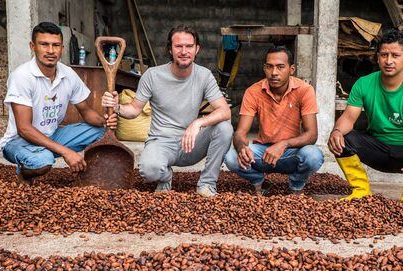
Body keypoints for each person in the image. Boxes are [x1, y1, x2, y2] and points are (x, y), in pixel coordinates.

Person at [102, 25, 232, 197]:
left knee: (224, 127)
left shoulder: (204, 75)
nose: (184, 51)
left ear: (197, 49)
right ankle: (165, 177)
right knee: (149, 171)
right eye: (178, 46)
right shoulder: (152, 76)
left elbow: (225, 111)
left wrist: (198, 123)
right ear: (170, 49)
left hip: (191, 143)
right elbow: (133, 110)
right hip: (161, 142)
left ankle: (207, 184)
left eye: (189, 46)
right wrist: (116, 106)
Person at [0, 22, 117, 184]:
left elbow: (86, 111)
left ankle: (90, 175)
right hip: (18, 141)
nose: (50, 51)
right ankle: (25, 171)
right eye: (44, 44)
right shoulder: (22, 76)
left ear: (62, 48)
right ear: (32, 46)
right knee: (43, 161)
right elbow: (24, 129)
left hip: (52, 136)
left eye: (55, 45)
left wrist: (106, 121)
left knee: (101, 133)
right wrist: (66, 152)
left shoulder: (68, 74)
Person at [224, 46, 324, 194]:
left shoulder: (304, 90)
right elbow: (240, 133)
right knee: (231, 157)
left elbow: (312, 135)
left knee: (314, 156)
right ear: (264, 68)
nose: (274, 73)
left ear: (292, 69)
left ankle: (296, 186)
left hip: (292, 152)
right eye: (269, 67)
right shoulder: (253, 92)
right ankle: (259, 181)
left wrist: (283, 144)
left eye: (280, 67)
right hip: (263, 153)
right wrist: (242, 148)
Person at [328, 29, 403, 200]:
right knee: (342, 138)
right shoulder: (364, 84)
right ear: (377, 58)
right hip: (378, 150)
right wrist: (337, 132)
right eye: (384, 55)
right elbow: (348, 118)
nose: (389, 61)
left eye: (395, 55)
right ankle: (360, 191)